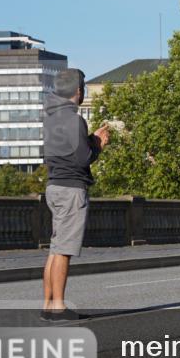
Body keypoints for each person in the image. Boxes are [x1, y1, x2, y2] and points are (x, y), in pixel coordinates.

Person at [42, 69, 110, 321]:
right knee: (64, 250)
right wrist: (98, 145)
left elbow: (68, 150)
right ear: (78, 91)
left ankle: (48, 305)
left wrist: (89, 139)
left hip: (54, 185)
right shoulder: (74, 119)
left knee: (55, 249)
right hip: (72, 188)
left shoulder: (51, 117)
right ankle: (59, 306)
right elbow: (83, 158)